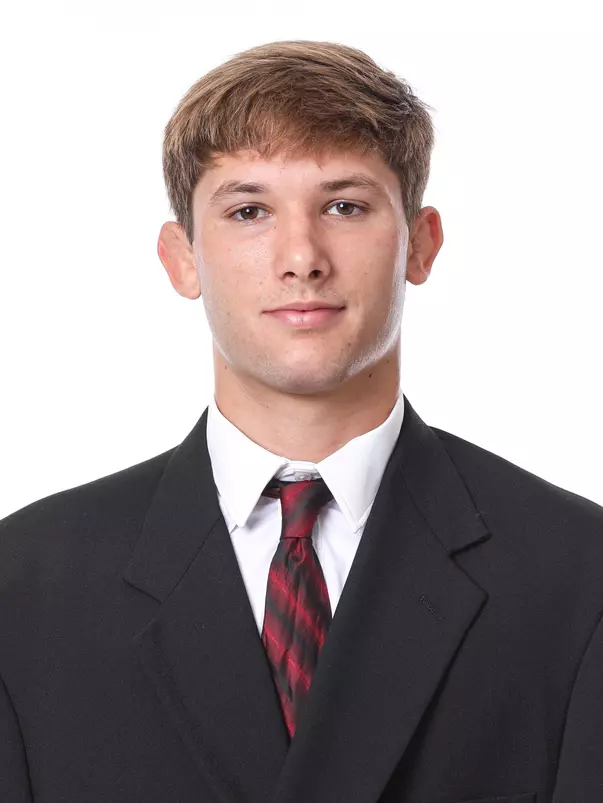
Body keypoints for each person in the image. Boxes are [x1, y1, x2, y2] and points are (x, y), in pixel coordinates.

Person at [1, 38, 602, 803]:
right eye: (249, 210)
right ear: (181, 257)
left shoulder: (578, 577)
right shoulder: (22, 585)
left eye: (344, 206)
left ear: (420, 244)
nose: (301, 256)